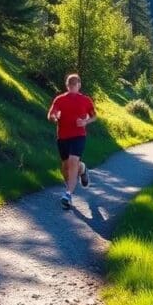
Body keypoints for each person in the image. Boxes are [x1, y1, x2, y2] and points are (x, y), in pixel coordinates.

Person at [47, 73, 97, 210]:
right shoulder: (60, 99)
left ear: (79, 85)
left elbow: (94, 116)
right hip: (63, 137)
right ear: (67, 85)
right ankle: (83, 169)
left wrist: (86, 121)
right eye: (70, 84)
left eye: (75, 84)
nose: (72, 87)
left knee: (73, 161)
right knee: (65, 167)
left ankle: (68, 194)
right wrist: (55, 117)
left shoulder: (86, 100)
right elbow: (51, 114)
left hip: (79, 136)